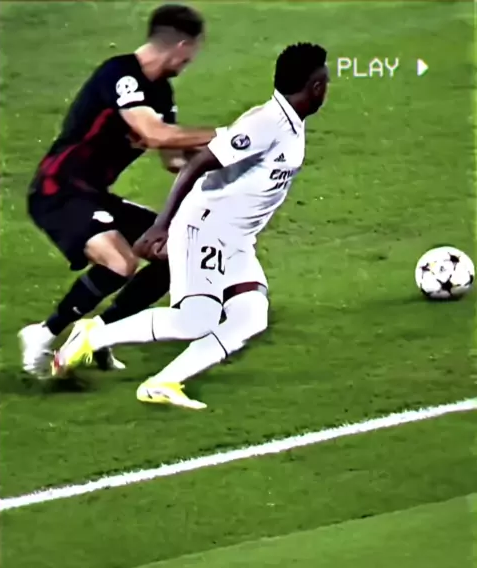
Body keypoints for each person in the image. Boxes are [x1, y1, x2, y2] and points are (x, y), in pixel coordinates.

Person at [53, 43, 330, 409]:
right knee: (195, 320)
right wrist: (162, 226)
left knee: (250, 316)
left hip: (235, 238)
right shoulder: (268, 124)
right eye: (325, 81)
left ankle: (162, 383)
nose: (327, 88)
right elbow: (199, 164)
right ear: (315, 87)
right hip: (206, 227)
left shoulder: (288, 123)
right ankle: (93, 336)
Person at [19, 4, 218, 379]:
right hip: (58, 190)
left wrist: (225, 158)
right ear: (181, 45)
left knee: (179, 252)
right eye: (192, 51)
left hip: (94, 195)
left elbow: (173, 158)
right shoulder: (120, 73)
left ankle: (101, 335)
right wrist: (228, 134)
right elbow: (154, 134)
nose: (191, 60)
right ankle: (43, 334)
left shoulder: (161, 92)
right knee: (120, 262)